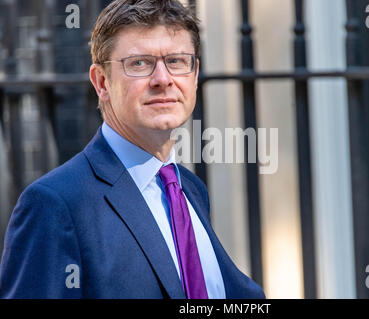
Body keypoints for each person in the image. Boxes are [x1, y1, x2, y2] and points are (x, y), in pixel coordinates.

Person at [0, 0, 265, 299]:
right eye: (139, 63)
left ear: (194, 73)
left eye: (177, 61)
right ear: (101, 82)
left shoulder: (189, 189)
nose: (163, 80)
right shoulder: (54, 205)